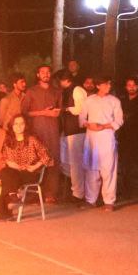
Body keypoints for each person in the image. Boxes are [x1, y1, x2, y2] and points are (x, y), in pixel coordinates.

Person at [78, 76, 123, 211]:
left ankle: (109, 200)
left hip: (107, 137)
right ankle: (90, 199)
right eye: (105, 84)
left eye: (109, 84)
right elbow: (81, 118)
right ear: (98, 86)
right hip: (91, 138)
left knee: (108, 169)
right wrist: (89, 125)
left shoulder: (114, 101)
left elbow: (119, 120)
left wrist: (103, 127)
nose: (108, 86)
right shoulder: (89, 100)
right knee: (91, 169)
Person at [0, 114, 52, 220]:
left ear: (25, 125)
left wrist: (35, 166)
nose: (19, 126)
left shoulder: (32, 140)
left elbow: (47, 157)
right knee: (5, 172)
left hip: (29, 172)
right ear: (12, 126)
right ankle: (13, 196)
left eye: (21, 123)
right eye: (16, 124)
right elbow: (2, 157)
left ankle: (6, 210)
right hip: (14, 172)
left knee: (7, 178)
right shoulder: (8, 141)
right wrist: (9, 162)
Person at [22, 65, 61, 200]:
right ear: (38, 75)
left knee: (52, 158)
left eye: (48, 72)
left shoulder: (56, 92)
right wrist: (43, 112)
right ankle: (33, 195)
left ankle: (51, 194)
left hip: (53, 130)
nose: (46, 74)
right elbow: (24, 112)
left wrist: (54, 112)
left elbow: (59, 110)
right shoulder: (31, 91)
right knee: (36, 159)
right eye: (43, 72)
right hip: (37, 131)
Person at [57, 70, 87, 203]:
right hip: (69, 130)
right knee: (71, 163)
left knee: (76, 163)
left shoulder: (77, 90)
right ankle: (76, 191)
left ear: (64, 80)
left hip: (77, 130)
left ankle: (78, 194)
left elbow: (81, 109)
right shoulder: (68, 90)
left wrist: (66, 109)